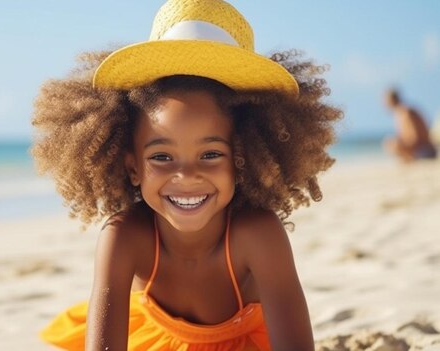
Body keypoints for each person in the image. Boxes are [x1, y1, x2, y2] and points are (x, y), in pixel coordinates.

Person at [32, 0, 341, 350]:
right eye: (162, 156)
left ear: (243, 158)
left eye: (210, 154)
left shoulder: (259, 236)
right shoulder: (124, 238)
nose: (187, 175)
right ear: (133, 167)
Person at [383, 88, 438, 162]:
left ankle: (410, 158)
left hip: (425, 150)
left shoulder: (405, 112)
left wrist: (400, 145)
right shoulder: (402, 112)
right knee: (391, 143)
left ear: (391, 100)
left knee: (392, 144)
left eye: (385, 100)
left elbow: (416, 137)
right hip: (425, 149)